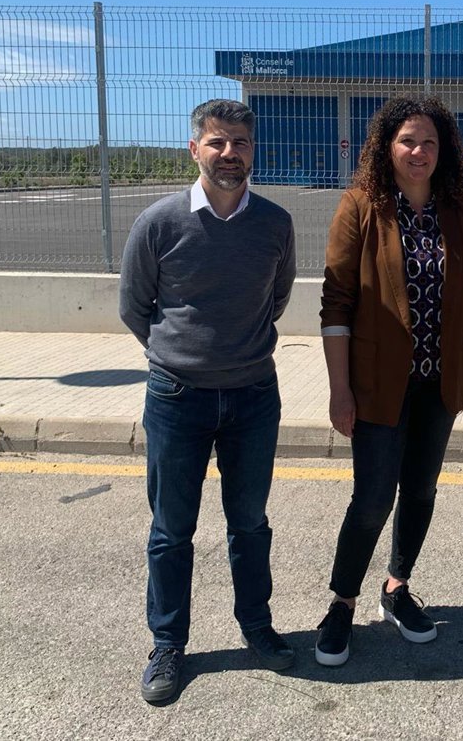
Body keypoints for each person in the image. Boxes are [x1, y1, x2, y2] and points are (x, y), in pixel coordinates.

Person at [119, 99, 297, 703]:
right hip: (177, 397)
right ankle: (168, 643)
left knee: (250, 523)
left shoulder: (275, 224)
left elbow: (276, 299)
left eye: (240, 143)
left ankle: (257, 627)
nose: (229, 154)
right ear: (194, 149)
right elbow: (134, 307)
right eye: (217, 142)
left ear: (253, 150)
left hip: (254, 396)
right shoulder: (159, 223)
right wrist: (181, 356)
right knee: (172, 530)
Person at [315, 95, 463, 666]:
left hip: (439, 384)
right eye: (408, 140)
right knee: (372, 499)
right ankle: (342, 602)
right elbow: (336, 303)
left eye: (429, 142)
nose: (419, 151)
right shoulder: (362, 205)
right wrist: (340, 388)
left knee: (421, 490)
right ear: (386, 146)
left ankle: (396, 587)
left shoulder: (456, 208)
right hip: (376, 385)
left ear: (443, 151)